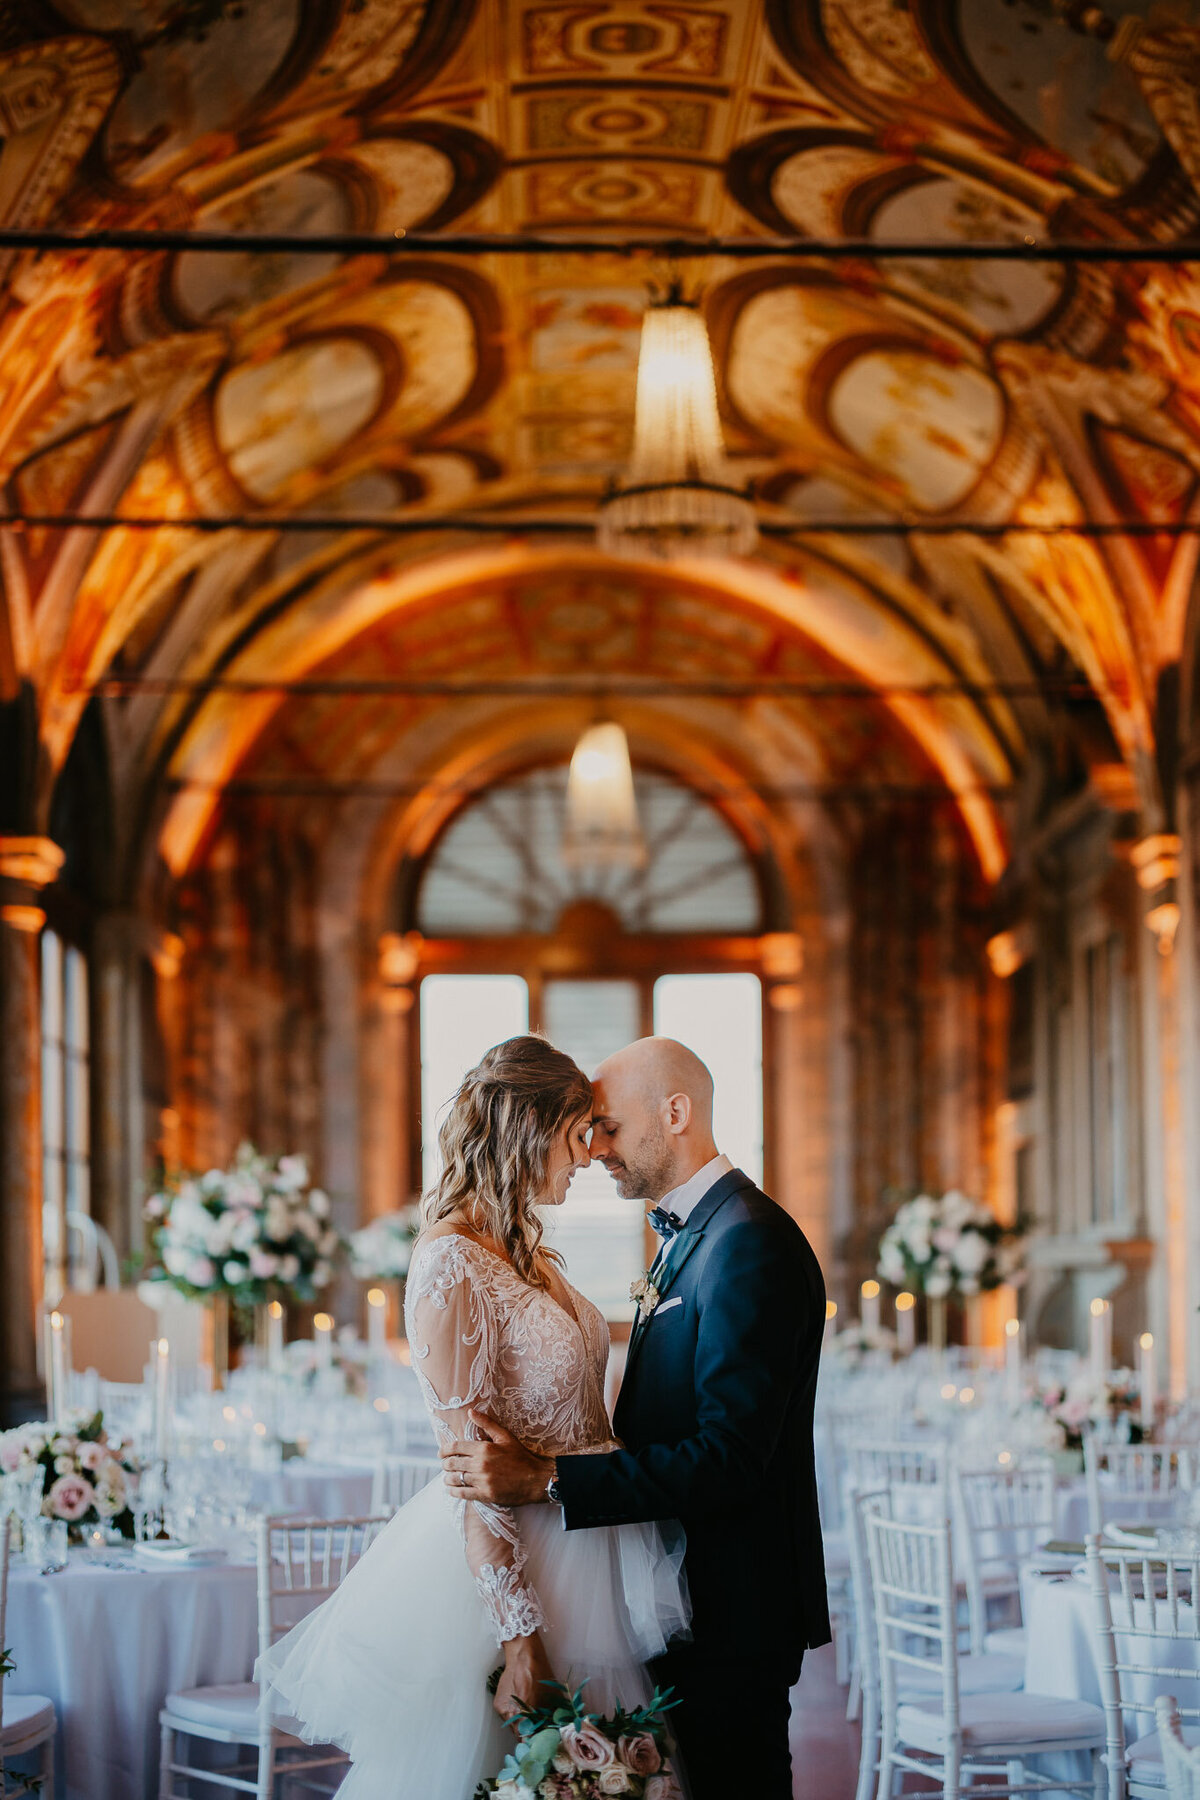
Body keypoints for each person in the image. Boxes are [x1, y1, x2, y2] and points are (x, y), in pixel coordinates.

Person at [256, 1035, 690, 1800]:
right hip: (520, 1567)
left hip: (590, 1539)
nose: (589, 1155)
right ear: (529, 1130)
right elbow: (470, 1468)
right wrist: (520, 1642)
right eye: (578, 1133)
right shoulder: (448, 1261)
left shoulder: (525, 1250)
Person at [442, 1035, 829, 1800]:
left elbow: (730, 1457)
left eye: (609, 1126)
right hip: (676, 1590)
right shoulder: (698, 1234)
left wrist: (551, 1478)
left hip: (731, 1604)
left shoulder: (748, 1242)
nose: (595, 1149)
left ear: (675, 1113)